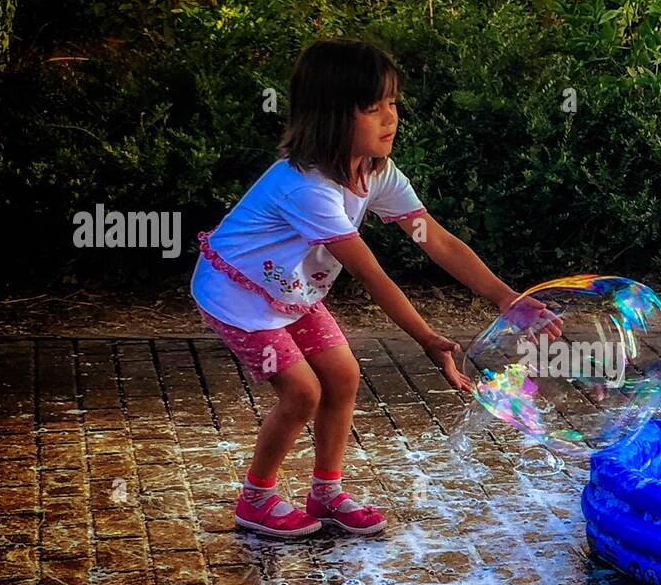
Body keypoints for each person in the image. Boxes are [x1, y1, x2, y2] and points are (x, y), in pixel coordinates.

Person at [191, 38, 521, 539]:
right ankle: (255, 498)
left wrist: (506, 297)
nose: (390, 118)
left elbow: (432, 237)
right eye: (373, 108)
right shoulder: (306, 187)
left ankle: (325, 491)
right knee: (302, 392)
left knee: (342, 376)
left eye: (392, 103)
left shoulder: (373, 171)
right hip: (239, 297)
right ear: (330, 117)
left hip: (290, 290)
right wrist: (427, 338)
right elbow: (372, 275)